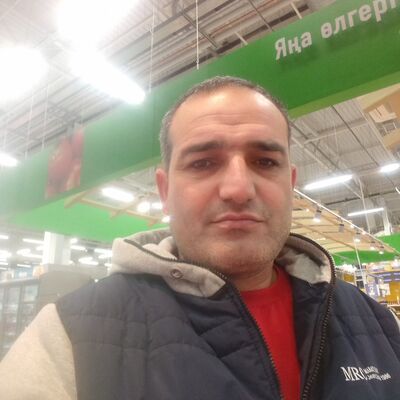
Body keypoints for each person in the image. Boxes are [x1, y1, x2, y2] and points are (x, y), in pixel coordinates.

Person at [0, 76, 399, 400]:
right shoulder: (67, 339)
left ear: (290, 184)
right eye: (204, 162)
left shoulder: (378, 324)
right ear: (165, 190)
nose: (238, 188)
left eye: (265, 161)